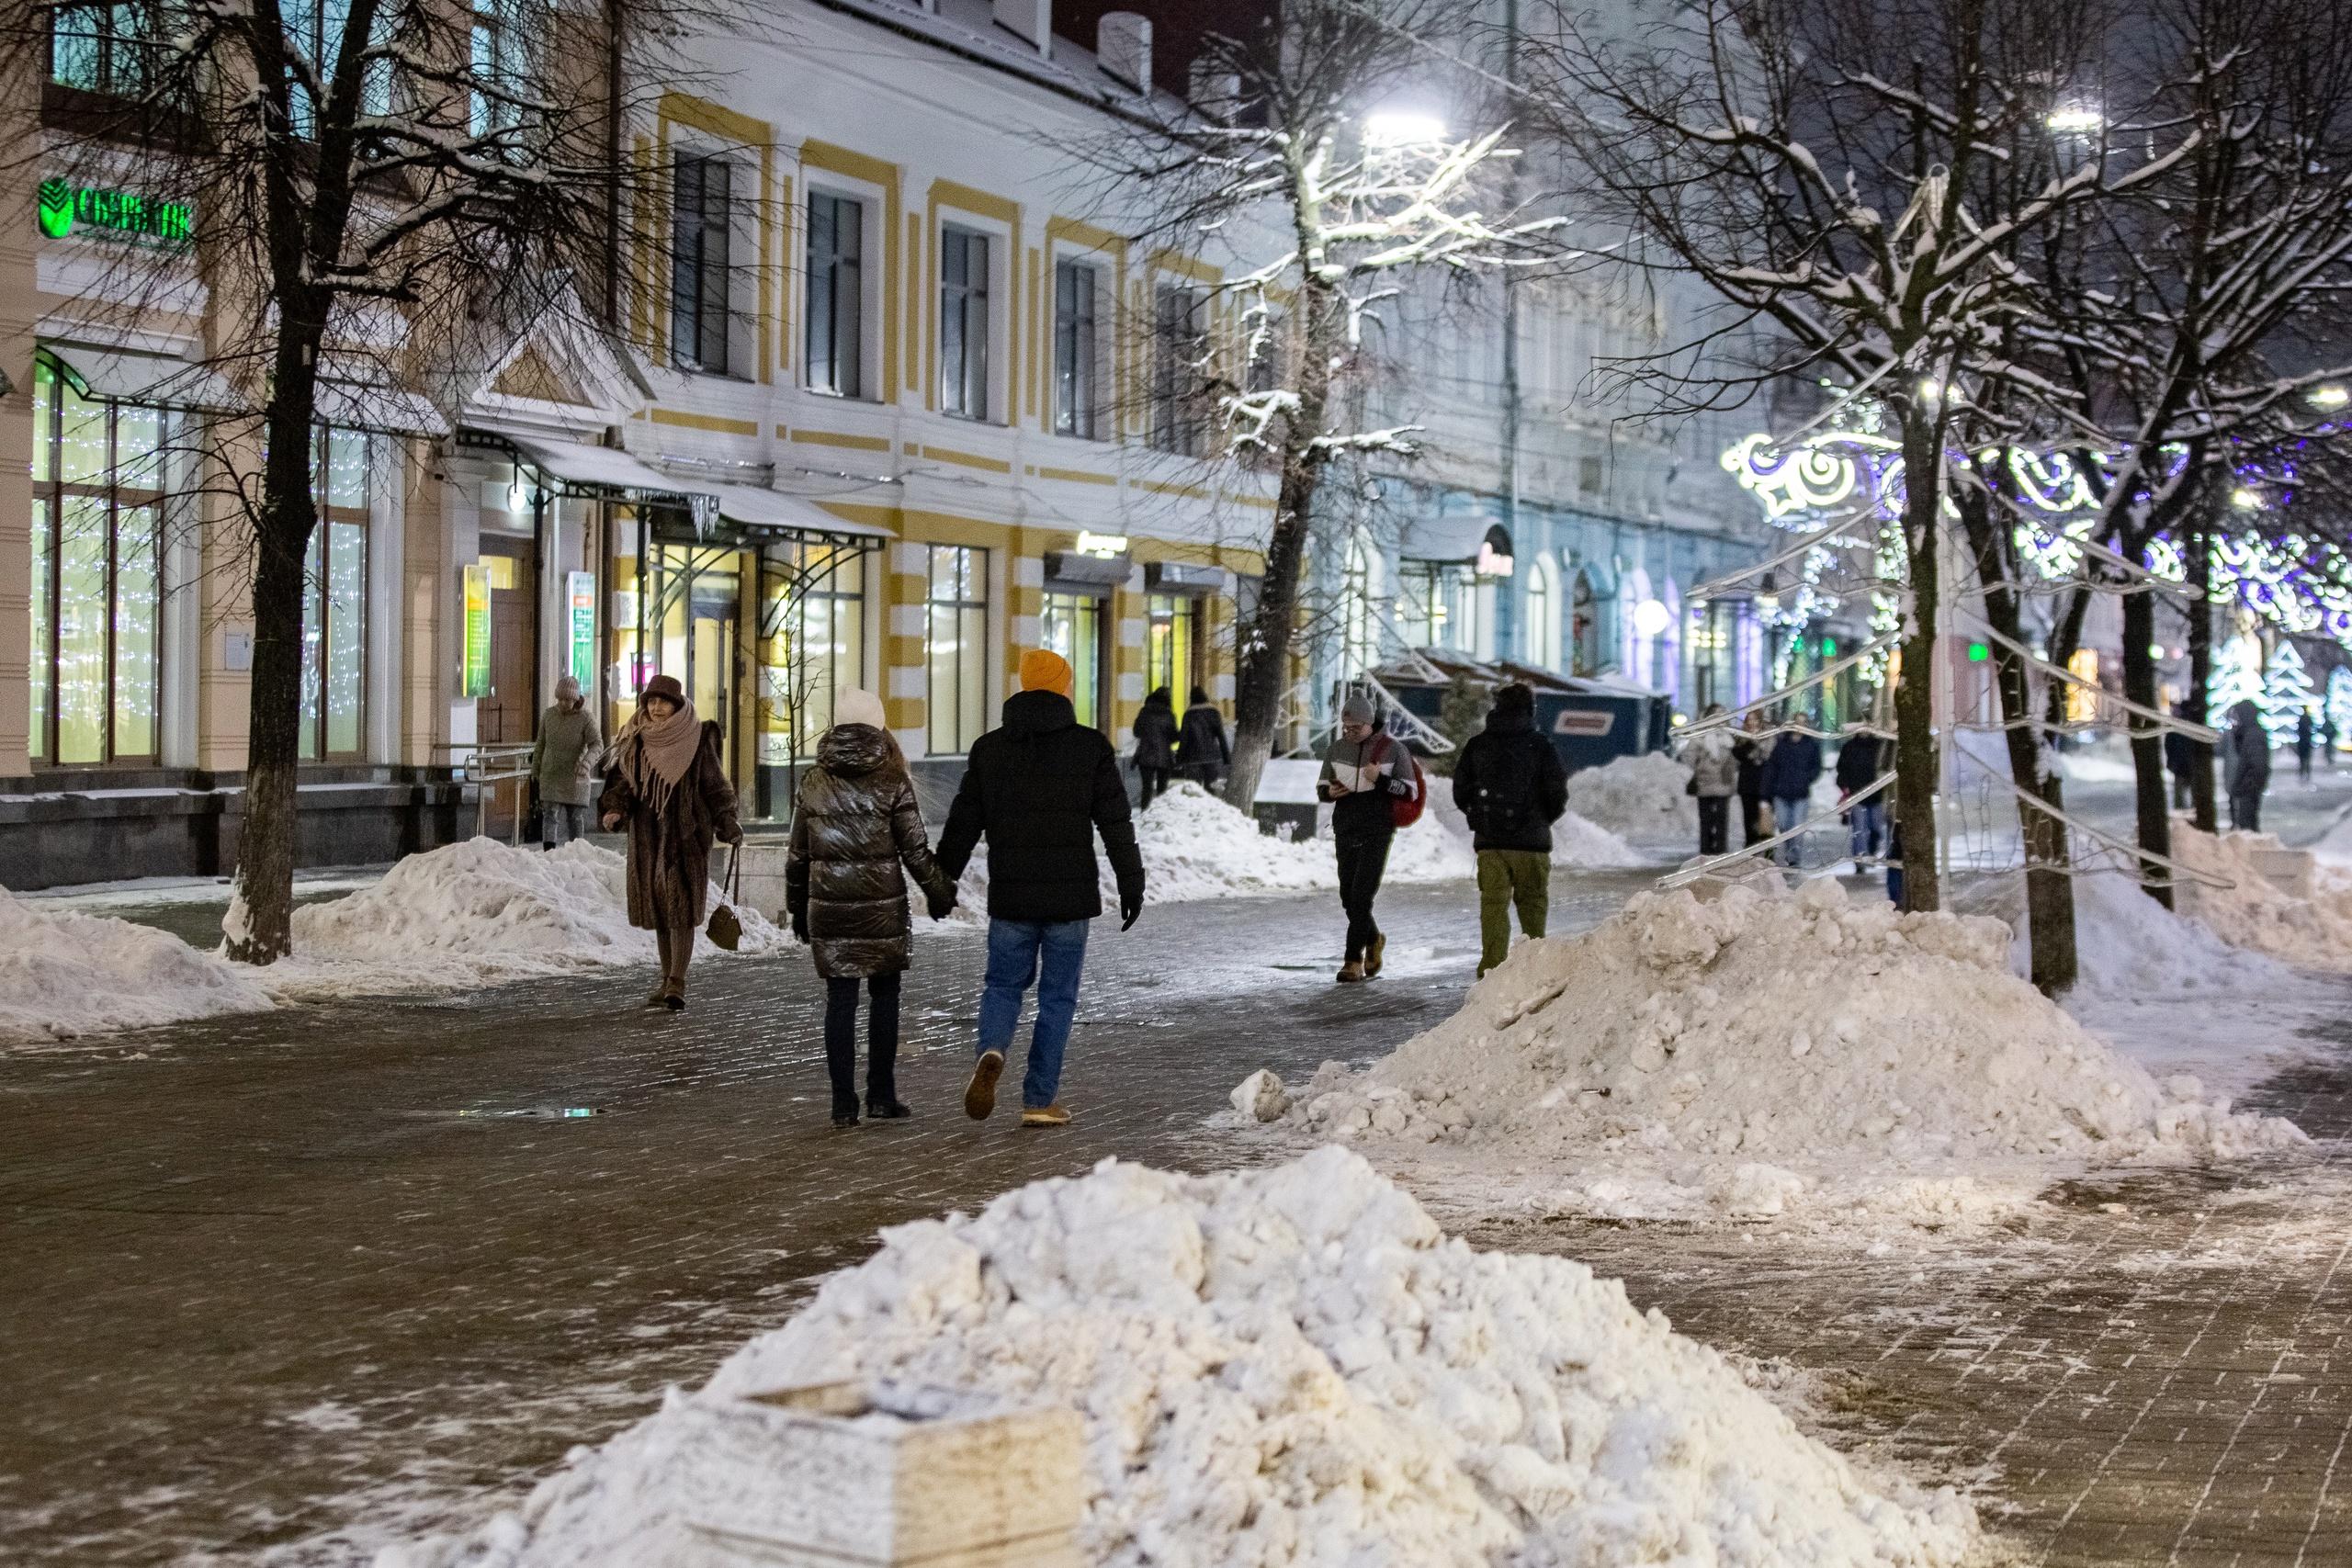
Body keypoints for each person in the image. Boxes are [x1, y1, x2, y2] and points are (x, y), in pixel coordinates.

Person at [937, 649, 1145, 1129]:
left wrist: (942, 879)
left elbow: (964, 820)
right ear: (1063, 687)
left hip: (1011, 897)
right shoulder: (1090, 747)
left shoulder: (990, 749)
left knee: (1002, 984)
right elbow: (1116, 823)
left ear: (1024, 685)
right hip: (1069, 902)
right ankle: (1038, 1099)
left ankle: (991, 1048)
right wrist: (1131, 884)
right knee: (1057, 997)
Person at [786, 689, 956, 1128]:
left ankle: (843, 1104)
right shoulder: (893, 779)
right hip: (881, 910)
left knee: (839, 1002)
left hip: (829, 908)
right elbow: (916, 850)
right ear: (878, 726)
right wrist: (940, 893)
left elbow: (798, 855)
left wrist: (797, 907)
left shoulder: (812, 781)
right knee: (885, 998)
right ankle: (881, 1095)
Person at [599, 673, 741, 1011]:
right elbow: (624, 782)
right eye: (651, 701)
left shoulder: (696, 737)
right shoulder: (636, 739)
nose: (656, 708)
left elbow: (715, 785)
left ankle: (678, 980)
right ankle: (666, 978)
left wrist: (727, 820)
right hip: (647, 836)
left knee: (681, 910)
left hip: (686, 836)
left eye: (663, 702)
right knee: (660, 911)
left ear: (677, 705)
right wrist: (615, 810)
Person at [1452, 682, 1568, 977]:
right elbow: (1557, 793)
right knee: (1532, 904)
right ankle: (1535, 966)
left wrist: (1479, 817)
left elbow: (1460, 791)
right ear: (1529, 710)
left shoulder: (1478, 745)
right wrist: (1540, 820)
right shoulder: (1541, 746)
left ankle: (1492, 966)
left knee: (1492, 904)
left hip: (1490, 843)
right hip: (1531, 844)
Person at [1317, 691, 1419, 982]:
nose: (1350, 733)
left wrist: (1381, 780)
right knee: (1348, 896)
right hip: (1346, 826)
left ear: (1370, 723)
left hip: (1377, 829)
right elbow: (1323, 786)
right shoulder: (1337, 749)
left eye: (1356, 728)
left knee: (1362, 896)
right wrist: (1330, 792)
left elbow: (1410, 791)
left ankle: (1352, 961)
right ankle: (1374, 938)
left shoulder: (1393, 750)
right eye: (1346, 728)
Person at [532, 674, 602, 849]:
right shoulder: (549, 715)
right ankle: (549, 851)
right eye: (561, 699)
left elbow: (597, 744)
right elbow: (540, 743)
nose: (564, 703)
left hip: (575, 775)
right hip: (551, 773)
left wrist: (587, 763)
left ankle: (577, 850)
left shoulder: (585, 718)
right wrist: (535, 768)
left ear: (576, 699)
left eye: (569, 700)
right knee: (550, 814)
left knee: (575, 817)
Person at [1760, 718, 1823, 867]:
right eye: (1797, 722)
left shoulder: (1811, 745)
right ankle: (1789, 849)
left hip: (1801, 793)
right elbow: (1772, 767)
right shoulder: (1781, 744)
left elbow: (1816, 766)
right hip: (1781, 792)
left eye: (1803, 722)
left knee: (1797, 826)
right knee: (1783, 824)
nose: (1799, 726)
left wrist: (1807, 778)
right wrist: (1767, 789)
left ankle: (1794, 857)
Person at [1682, 705, 1739, 856]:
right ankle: (1707, 852)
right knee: (1707, 821)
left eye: (1722, 714)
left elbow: (1736, 758)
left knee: (1721, 821)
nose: (1719, 717)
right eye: (1716, 714)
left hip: (1723, 783)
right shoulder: (1701, 736)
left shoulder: (1729, 736)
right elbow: (1688, 756)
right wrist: (1700, 766)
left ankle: (1719, 852)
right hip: (1705, 783)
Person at [1834, 729, 1888, 863]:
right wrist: (1844, 785)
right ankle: (1860, 858)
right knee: (1859, 829)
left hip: (1877, 795)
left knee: (1876, 828)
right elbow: (1842, 768)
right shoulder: (1849, 747)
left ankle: (1871, 850)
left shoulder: (1879, 745)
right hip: (1856, 794)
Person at [2223, 698, 2270, 831]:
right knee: (2248, 823)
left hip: (2248, 788)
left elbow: (2257, 765)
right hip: (2247, 787)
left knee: (2247, 824)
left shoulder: (2253, 735)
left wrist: (2245, 785)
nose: (2235, 720)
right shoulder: (2248, 734)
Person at [1131, 686, 1179, 810]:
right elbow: (1174, 737)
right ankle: (1160, 815)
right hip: (1164, 757)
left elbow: (1136, 732)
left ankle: (1145, 813)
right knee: (1162, 789)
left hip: (1145, 755)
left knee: (1147, 788)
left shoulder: (1144, 712)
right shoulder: (1169, 714)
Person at [1175, 686, 1231, 789]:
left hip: (1192, 759)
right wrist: (1227, 758)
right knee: (1211, 790)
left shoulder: (1188, 714)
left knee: (1193, 791)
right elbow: (1221, 736)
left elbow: (1184, 739)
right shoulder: (1214, 712)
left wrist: (1179, 760)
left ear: (1191, 698)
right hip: (1212, 757)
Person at [1733, 711, 1774, 848]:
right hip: (1748, 786)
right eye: (1749, 720)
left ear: (1761, 721)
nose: (1752, 723)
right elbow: (1738, 755)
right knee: (1750, 824)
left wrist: (1760, 740)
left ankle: (1768, 857)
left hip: (1766, 786)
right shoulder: (1741, 739)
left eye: (1755, 720)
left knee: (1766, 824)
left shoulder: (1770, 739)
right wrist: (1751, 740)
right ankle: (1751, 856)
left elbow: (1773, 759)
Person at [2165, 702, 2196, 811]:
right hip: (2187, 764)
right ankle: (2191, 812)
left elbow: (2169, 745)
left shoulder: (2175, 727)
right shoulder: (2191, 724)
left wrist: (2172, 762)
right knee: (2190, 794)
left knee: (2180, 794)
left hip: (2180, 765)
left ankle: (2183, 813)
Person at [2296, 710, 2315, 784]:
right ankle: (2307, 774)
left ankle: (2302, 774)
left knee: (2302, 760)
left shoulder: (2301, 719)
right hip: (2307, 742)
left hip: (2302, 742)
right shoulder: (2308, 719)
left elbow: (2298, 729)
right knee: (2307, 760)